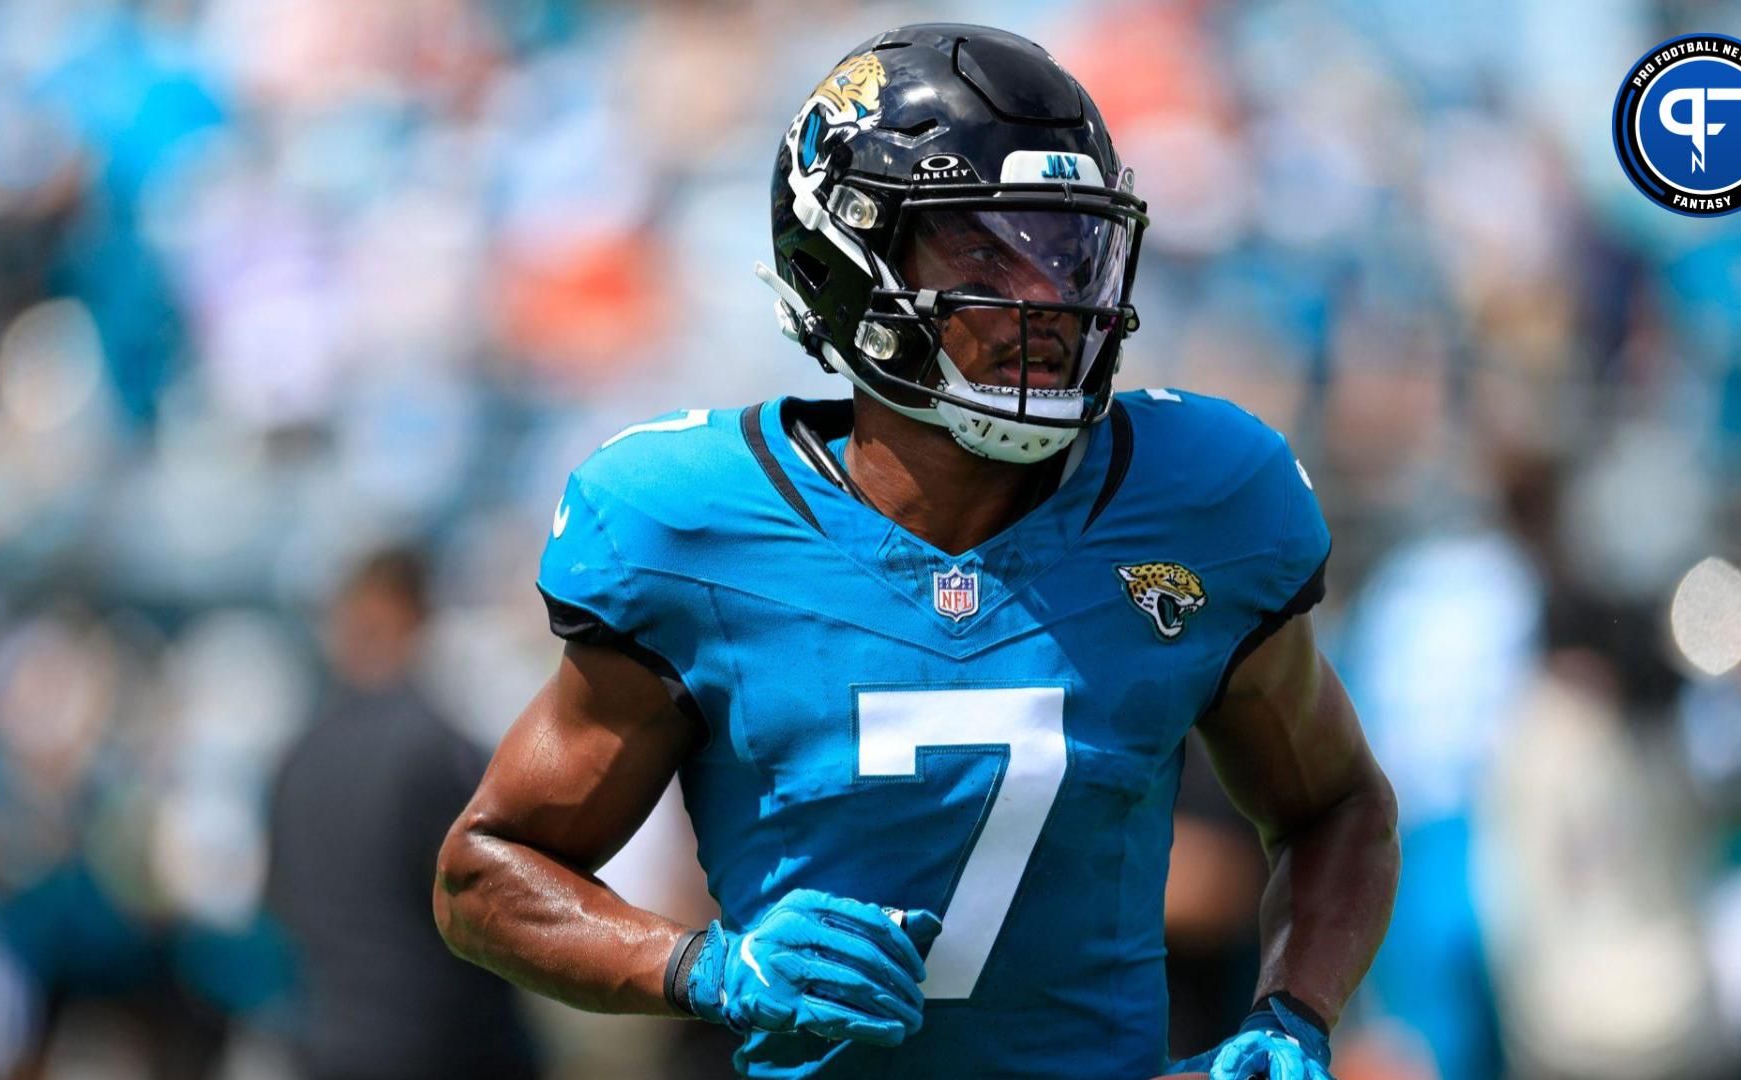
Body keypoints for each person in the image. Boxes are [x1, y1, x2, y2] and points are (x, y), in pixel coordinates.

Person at [434, 24, 1398, 1080]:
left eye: (1066, 248)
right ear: (841, 262)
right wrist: (701, 967)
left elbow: (1339, 804)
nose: (1045, 297)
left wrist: (1294, 1013)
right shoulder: (692, 523)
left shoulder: (1200, 496)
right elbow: (485, 873)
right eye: (983, 248)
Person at [268, 549, 539, 1080]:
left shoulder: (296, 758)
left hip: (325, 1045)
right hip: (440, 1047)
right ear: (413, 617)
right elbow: (490, 911)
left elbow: (278, 903)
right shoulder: (435, 750)